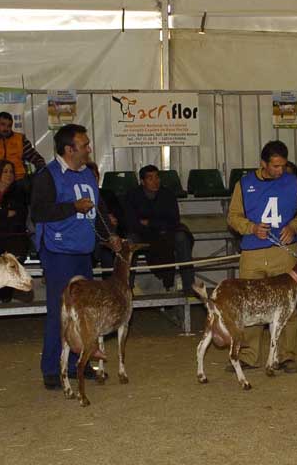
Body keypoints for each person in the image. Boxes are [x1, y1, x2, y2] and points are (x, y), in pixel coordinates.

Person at [30, 124, 119, 390]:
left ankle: (77, 362)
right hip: (59, 253)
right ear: (69, 149)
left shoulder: (87, 175)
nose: (89, 149)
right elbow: (39, 212)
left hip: (83, 251)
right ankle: (52, 368)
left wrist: (110, 235)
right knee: (61, 312)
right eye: (85, 145)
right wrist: (72, 207)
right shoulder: (48, 176)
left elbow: (99, 209)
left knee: (83, 313)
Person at [227, 140, 297, 373]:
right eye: (275, 166)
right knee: (250, 306)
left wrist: (295, 226)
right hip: (252, 254)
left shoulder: (295, 182)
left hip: (284, 254)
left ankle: (287, 355)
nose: (280, 171)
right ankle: (249, 355)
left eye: (283, 166)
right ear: (263, 163)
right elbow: (233, 217)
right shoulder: (244, 184)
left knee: (288, 308)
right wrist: (251, 228)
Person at [124, 164, 194, 293]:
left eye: (157, 177)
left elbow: (174, 220)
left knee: (182, 238)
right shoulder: (132, 195)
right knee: (130, 242)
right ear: (142, 181)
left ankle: (189, 287)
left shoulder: (168, 194)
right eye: (150, 178)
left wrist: (150, 223)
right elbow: (131, 222)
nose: (155, 181)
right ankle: (127, 289)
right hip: (141, 233)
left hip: (165, 232)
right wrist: (152, 225)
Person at [0, 111, 46, 182]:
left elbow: (33, 155)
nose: (6, 128)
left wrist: (41, 165)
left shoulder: (20, 139)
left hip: (18, 180)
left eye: (9, 126)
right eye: (3, 124)